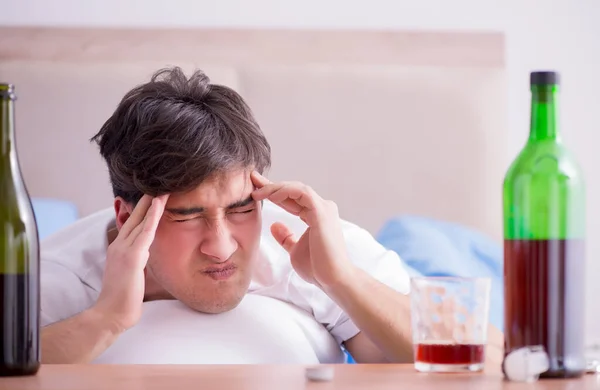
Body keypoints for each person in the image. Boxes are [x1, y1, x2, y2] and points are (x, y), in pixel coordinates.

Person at [40, 67, 504, 365]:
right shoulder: (57, 277)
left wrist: (341, 279)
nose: (221, 246)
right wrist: (106, 320)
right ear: (126, 217)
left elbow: (493, 359)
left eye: (242, 207)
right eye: (186, 216)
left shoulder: (312, 248)